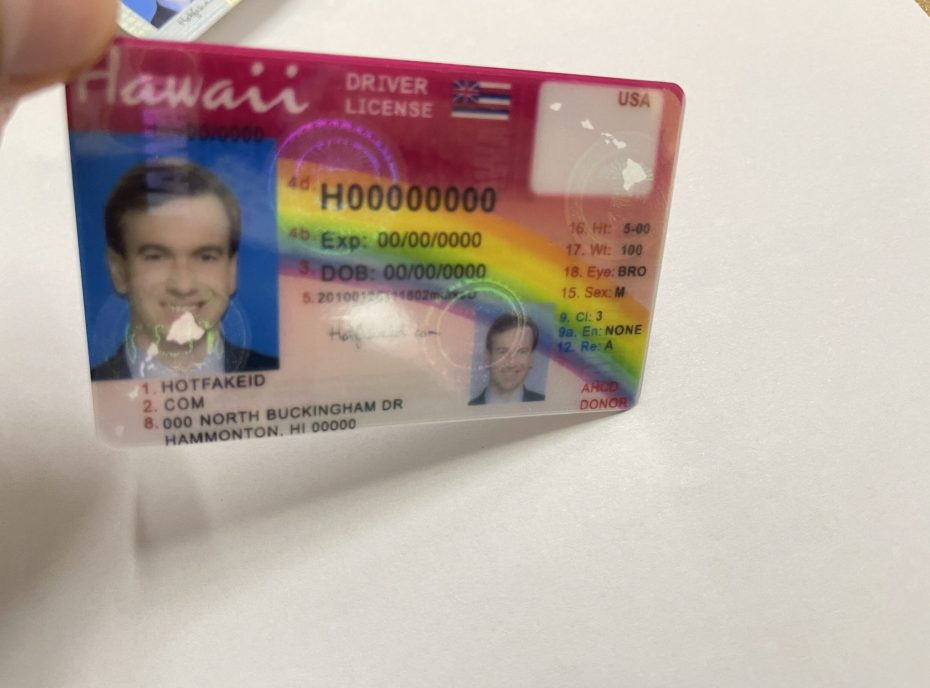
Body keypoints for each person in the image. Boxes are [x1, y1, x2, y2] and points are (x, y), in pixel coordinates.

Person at [91, 159, 278, 380]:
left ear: (231, 270)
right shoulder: (84, 391)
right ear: (119, 271)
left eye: (206, 257)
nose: (183, 286)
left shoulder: (284, 382)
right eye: (156, 257)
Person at [469, 313, 546, 405]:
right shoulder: (465, 408)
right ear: (488, 357)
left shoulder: (547, 405)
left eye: (522, 351)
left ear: (531, 358)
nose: (511, 363)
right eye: (502, 352)